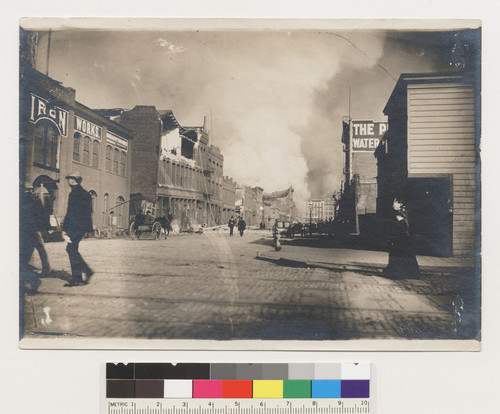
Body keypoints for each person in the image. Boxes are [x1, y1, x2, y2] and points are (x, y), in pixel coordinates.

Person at [62, 172, 94, 287]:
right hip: (82, 226)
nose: (68, 181)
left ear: (74, 180)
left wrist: (65, 228)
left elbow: (71, 212)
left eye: (69, 179)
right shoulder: (86, 194)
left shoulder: (74, 194)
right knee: (72, 249)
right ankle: (83, 273)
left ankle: (79, 277)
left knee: (71, 249)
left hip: (74, 227)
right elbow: (89, 211)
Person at [384, 197, 421, 279]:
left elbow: (403, 226)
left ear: (400, 204)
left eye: (395, 202)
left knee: (398, 256)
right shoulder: (401, 213)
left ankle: (397, 273)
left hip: (400, 240)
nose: (393, 204)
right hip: (402, 239)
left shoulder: (399, 214)